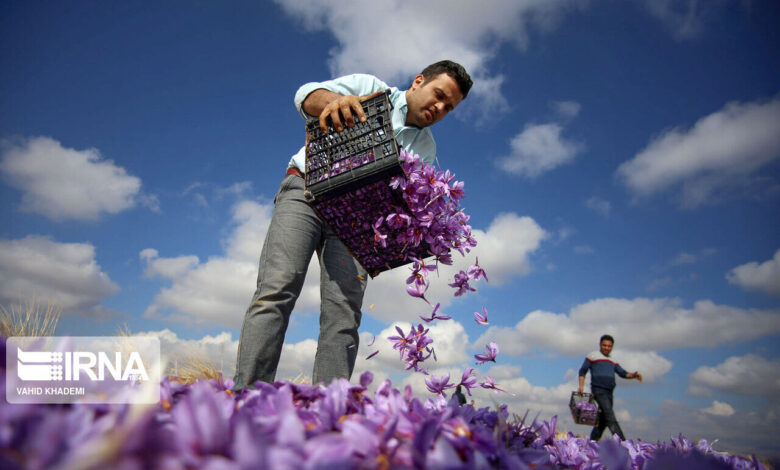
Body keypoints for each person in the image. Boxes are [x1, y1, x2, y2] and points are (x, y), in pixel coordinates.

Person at [232, 60, 473, 390]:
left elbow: (408, 199)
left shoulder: (426, 148)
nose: (440, 107)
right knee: (277, 288)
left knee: (344, 314)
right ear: (418, 82)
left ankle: (327, 412)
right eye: (439, 94)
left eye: (449, 106)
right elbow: (305, 96)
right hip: (308, 191)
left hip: (356, 222)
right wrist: (333, 102)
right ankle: (247, 396)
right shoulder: (374, 90)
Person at [577, 334, 642, 441]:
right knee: (610, 415)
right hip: (598, 390)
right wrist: (581, 386)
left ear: (612, 347)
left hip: (609, 392)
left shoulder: (613, 360)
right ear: (600, 345)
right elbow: (583, 371)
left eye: (609, 346)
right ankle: (623, 443)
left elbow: (622, 373)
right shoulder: (592, 356)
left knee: (603, 420)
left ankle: (592, 442)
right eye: (604, 345)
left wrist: (633, 375)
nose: (607, 348)